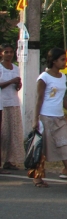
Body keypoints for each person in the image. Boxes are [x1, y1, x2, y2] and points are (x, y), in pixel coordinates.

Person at [32, 48, 67, 188]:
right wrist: (35, 119)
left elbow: (61, 99)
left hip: (59, 118)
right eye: (62, 59)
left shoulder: (62, 77)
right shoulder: (44, 77)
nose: (65, 62)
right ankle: (37, 176)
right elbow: (39, 99)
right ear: (54, 61)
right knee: (42, 149)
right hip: (46, 117)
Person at [0, 43, 24, 171]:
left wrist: (17, 84)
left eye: (10, 52)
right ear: (1, 53)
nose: (9, 54)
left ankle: (10, 160)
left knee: (13, 133)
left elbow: (17, 85)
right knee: (3, 133)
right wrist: (10, 81)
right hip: (2, 103)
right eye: (6, 52)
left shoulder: (15, 68)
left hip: (14, 102)